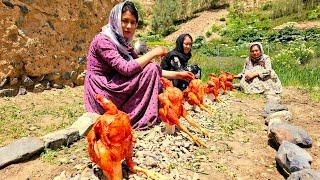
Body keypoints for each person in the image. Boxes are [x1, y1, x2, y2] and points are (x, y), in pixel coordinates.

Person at [84, 1, 194, 130]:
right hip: (102, 89)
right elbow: (126, 68)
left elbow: (144, 66)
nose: (128, 26)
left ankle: (143, 113)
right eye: (124, 21)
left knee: (151, 68)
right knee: (151, 69)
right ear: (115, 20)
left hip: (115, 84)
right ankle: (136, 117)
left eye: (133, 22)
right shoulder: (103, 41)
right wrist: (154, 52)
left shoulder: (123, 43)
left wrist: (177, 75)